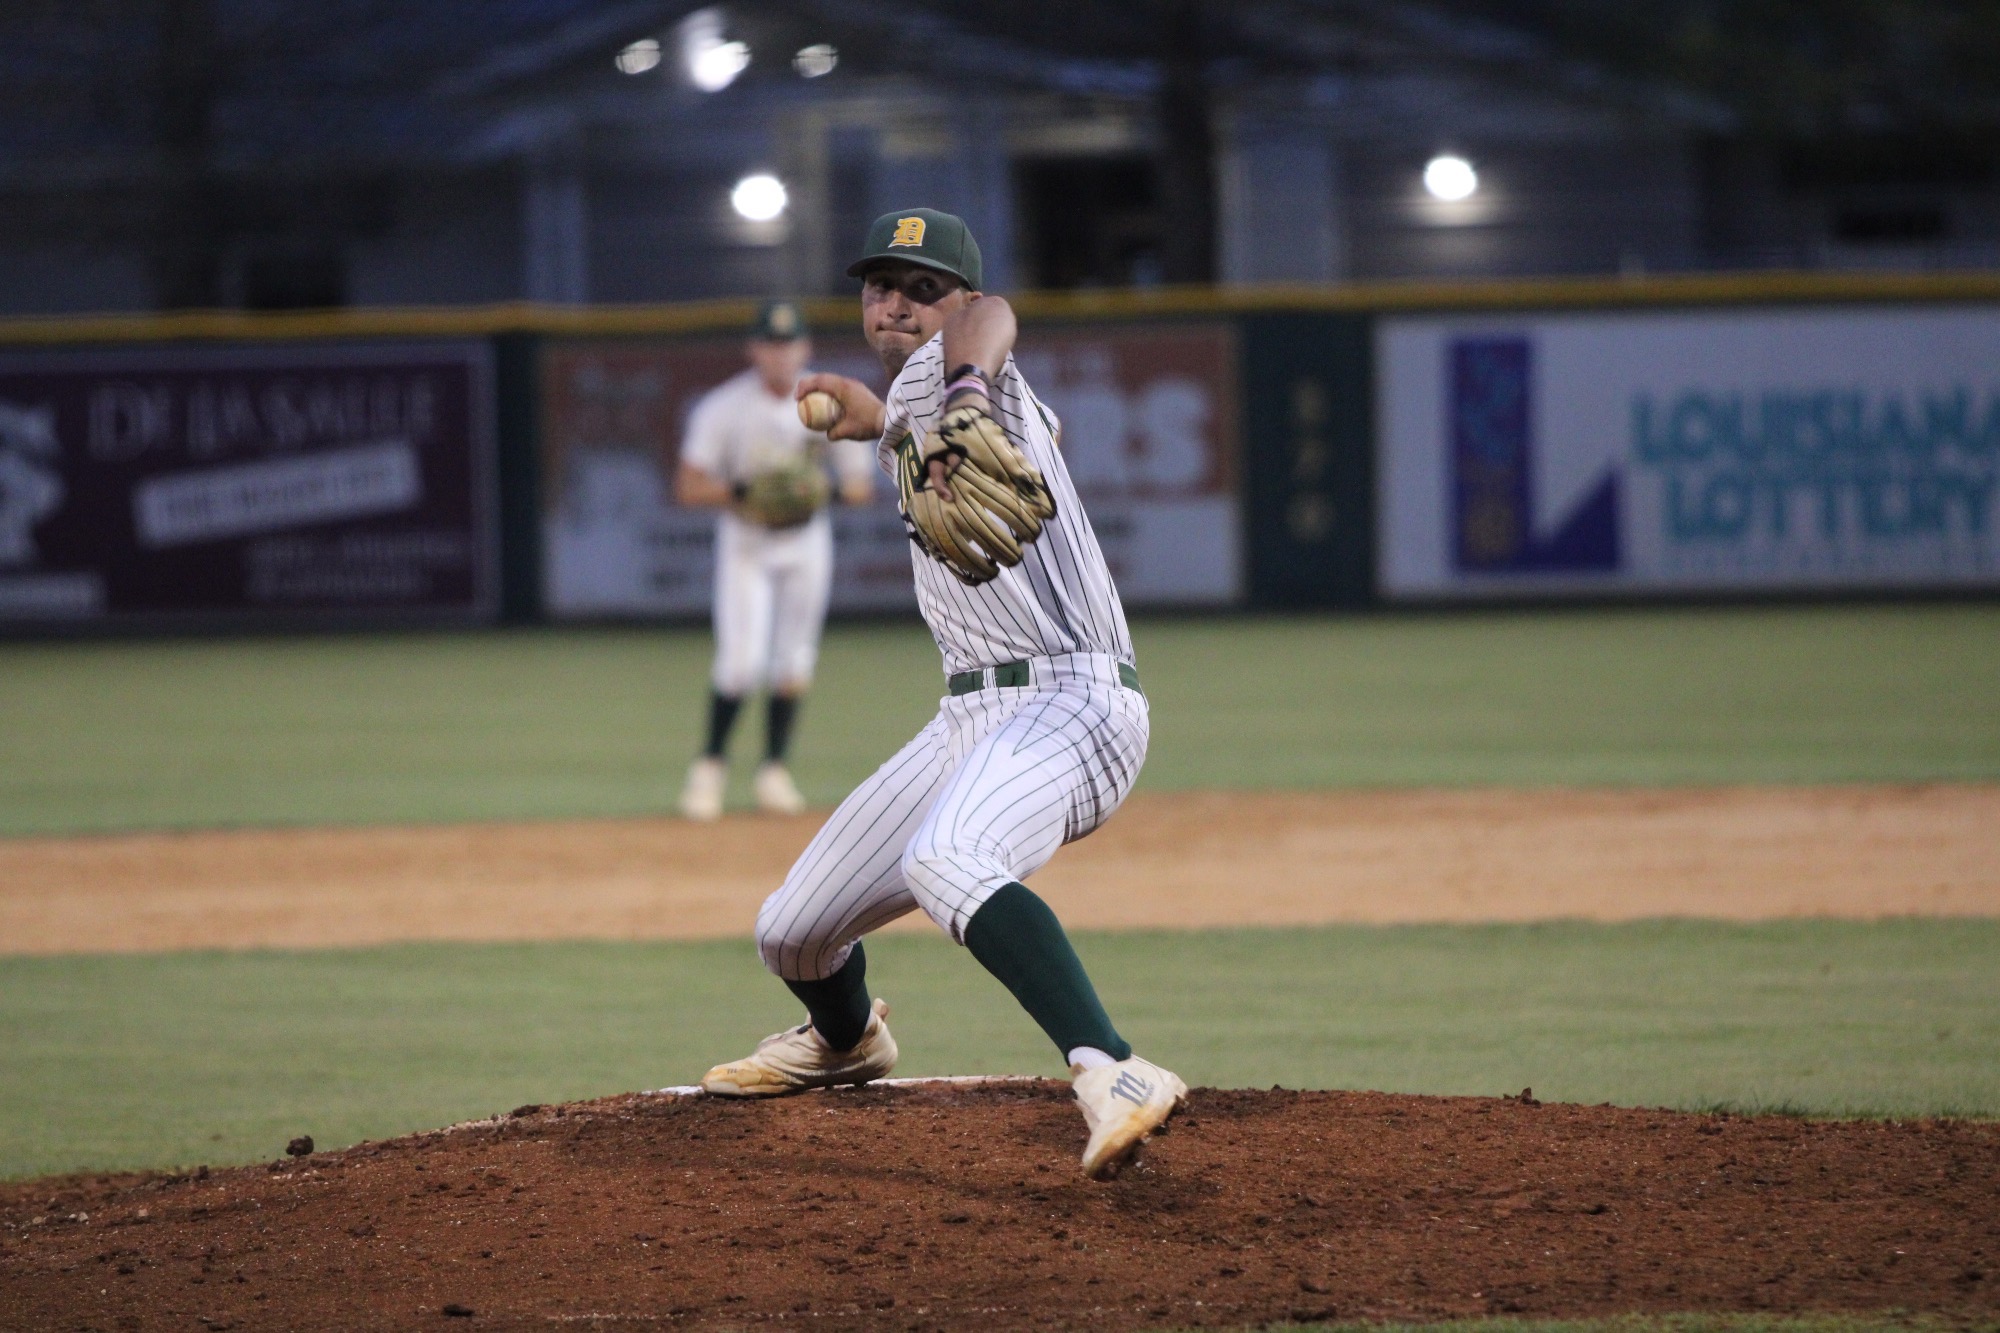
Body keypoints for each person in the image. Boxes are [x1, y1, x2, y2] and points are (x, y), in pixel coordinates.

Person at [698, 210, 1185, 1180]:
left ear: (956, 302)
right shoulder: (920, 403)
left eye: (922, 287)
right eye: (879, 285)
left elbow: (991, 322)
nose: (893, 302)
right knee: (790, 930)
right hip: (969, 716)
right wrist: (867, 415)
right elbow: (916, 410)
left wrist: (961, 378)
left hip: (1074, 700)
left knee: (949, 857)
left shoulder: (972, 371)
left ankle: (1115, 1067)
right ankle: (846, 1042)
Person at [675, 300, 873, 820]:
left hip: (805, 541)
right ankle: (709, 770)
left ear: (804, 348)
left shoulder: (826, 401)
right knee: (740, 664)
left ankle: (774, 772)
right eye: (770, 344)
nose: (780, 354)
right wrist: (743, 490)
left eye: (789, 344)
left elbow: (859, 485)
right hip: (747, 541)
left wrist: (817, 490)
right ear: (754, 349)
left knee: (793, 662)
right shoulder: (725, 407)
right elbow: (688, 485)